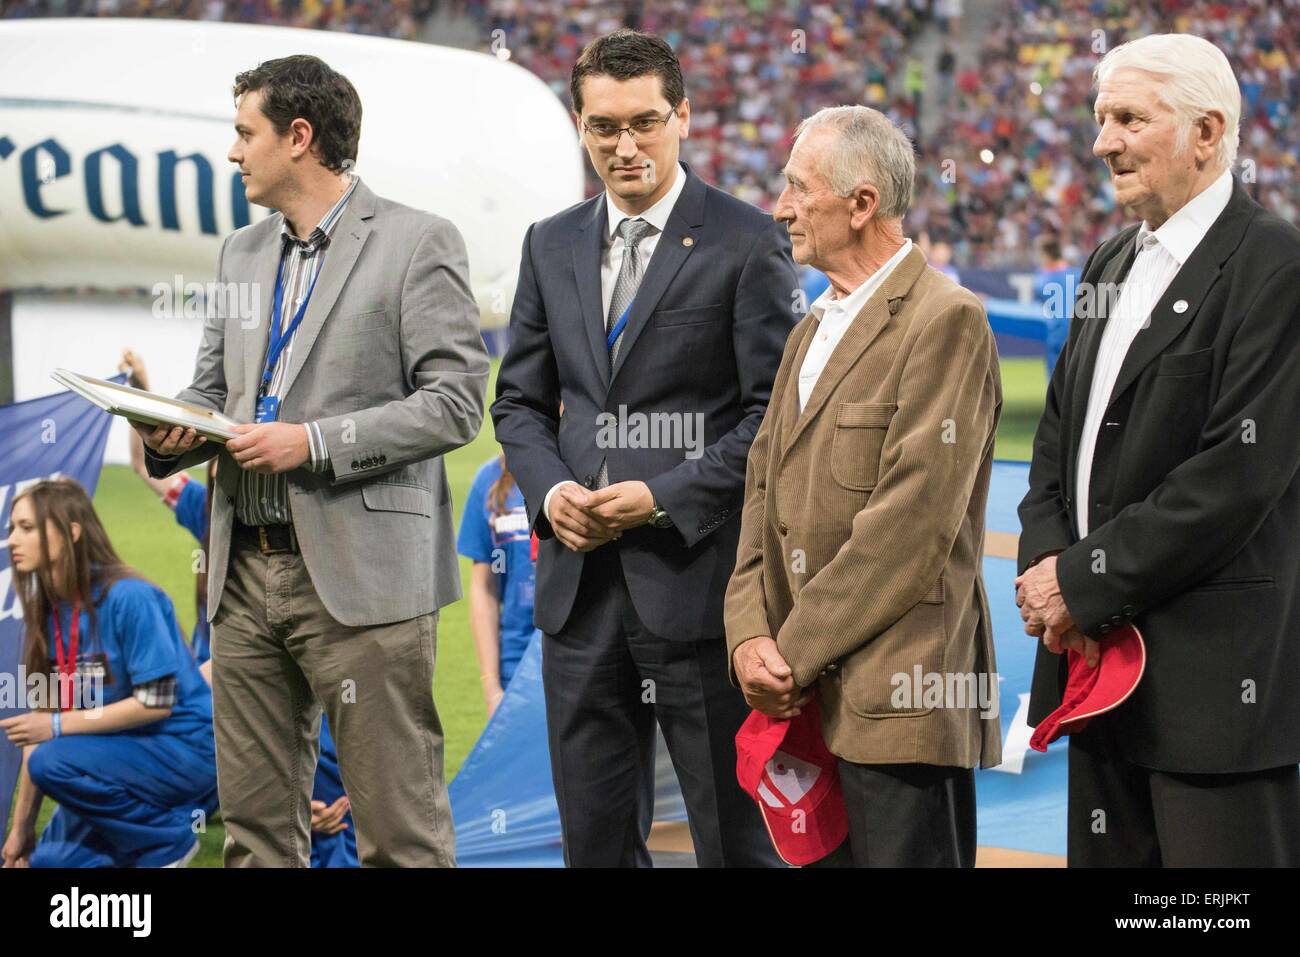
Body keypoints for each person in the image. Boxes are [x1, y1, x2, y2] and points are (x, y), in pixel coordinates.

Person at [134, 54, 489, 867]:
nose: (232, 152)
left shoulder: (417, 241)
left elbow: (457, 402)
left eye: (243, 133)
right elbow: (208, 391)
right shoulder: (240, 254)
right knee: (257, 837)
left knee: (398, 835)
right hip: (242, 575)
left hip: (362, 580)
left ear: (299, 137)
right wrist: (166, 429)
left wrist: (316, 443)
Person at [492, 28, 797, 867]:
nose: (625, 146)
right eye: (603, 127)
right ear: (581, 128)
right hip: (578, 593)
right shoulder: (548, 243)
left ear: (685, 118)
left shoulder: (746, 240)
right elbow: (517, 402)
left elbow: (773, 416)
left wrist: (665, 495)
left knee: (735, 842)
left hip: (697, 589)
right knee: (593, 844)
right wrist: (553, 496)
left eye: (645, 122)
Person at [1016, 32, 1300, 868]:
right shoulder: (1108, 260)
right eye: (1102, 119)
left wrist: (1078, 581)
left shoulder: (1274, 267)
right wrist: (1047, 572)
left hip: (1213, 697)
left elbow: (1233, 481)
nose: (1102, 142)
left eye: (1129, 119)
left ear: (1207, 133)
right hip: (1096, 673)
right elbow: (1057, 442)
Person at [725, 105, 1003, 868]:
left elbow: (910, 526)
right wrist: (748, 633)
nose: (781, 208)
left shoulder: (947, 319)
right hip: (802, 695)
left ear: (861, 203)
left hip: (897, 703)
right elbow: (759, 495)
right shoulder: (811, 326)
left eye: (795, 188)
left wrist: (790, 651)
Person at [120, 348, 357, 867]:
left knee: (315, 754)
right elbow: (145, 466)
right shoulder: (203, 511)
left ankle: (322, 817)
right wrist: (139, 396)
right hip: (223, 674)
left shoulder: (208, 511)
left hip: (253, 666)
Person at [1, 478, 218, 868]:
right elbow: (41, 727)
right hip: (117, 754)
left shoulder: (129, 596)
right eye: (12, 528)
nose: (13, 540)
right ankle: (143, 841)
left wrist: (56, 727)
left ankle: (168, 842)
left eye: (27, 528)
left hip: (184, 749)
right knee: (51, 862)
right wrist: (21, 830)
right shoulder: (46, 612)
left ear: (71, 533)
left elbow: (157, 704)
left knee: (52, 761)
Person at [457, 453, 538, 716]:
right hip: (516, 665)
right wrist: (491, 686)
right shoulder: (489, 479)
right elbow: (484, 589)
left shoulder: (584, 470)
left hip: (583, 661)